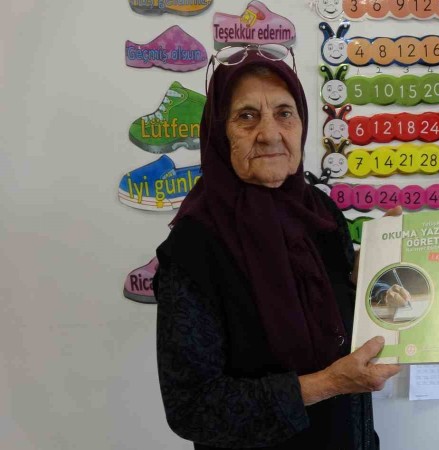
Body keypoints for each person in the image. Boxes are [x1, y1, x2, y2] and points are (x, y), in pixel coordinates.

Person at [153, 48, 401, 450]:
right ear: (219, 132)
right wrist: (328, 384)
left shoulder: (320, 212)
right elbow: (192, 407)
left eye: (285, 113)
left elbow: (337, 328)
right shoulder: (194, 246)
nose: (269, 133)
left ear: (301, 124)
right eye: (247, 116)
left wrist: (366, 275)